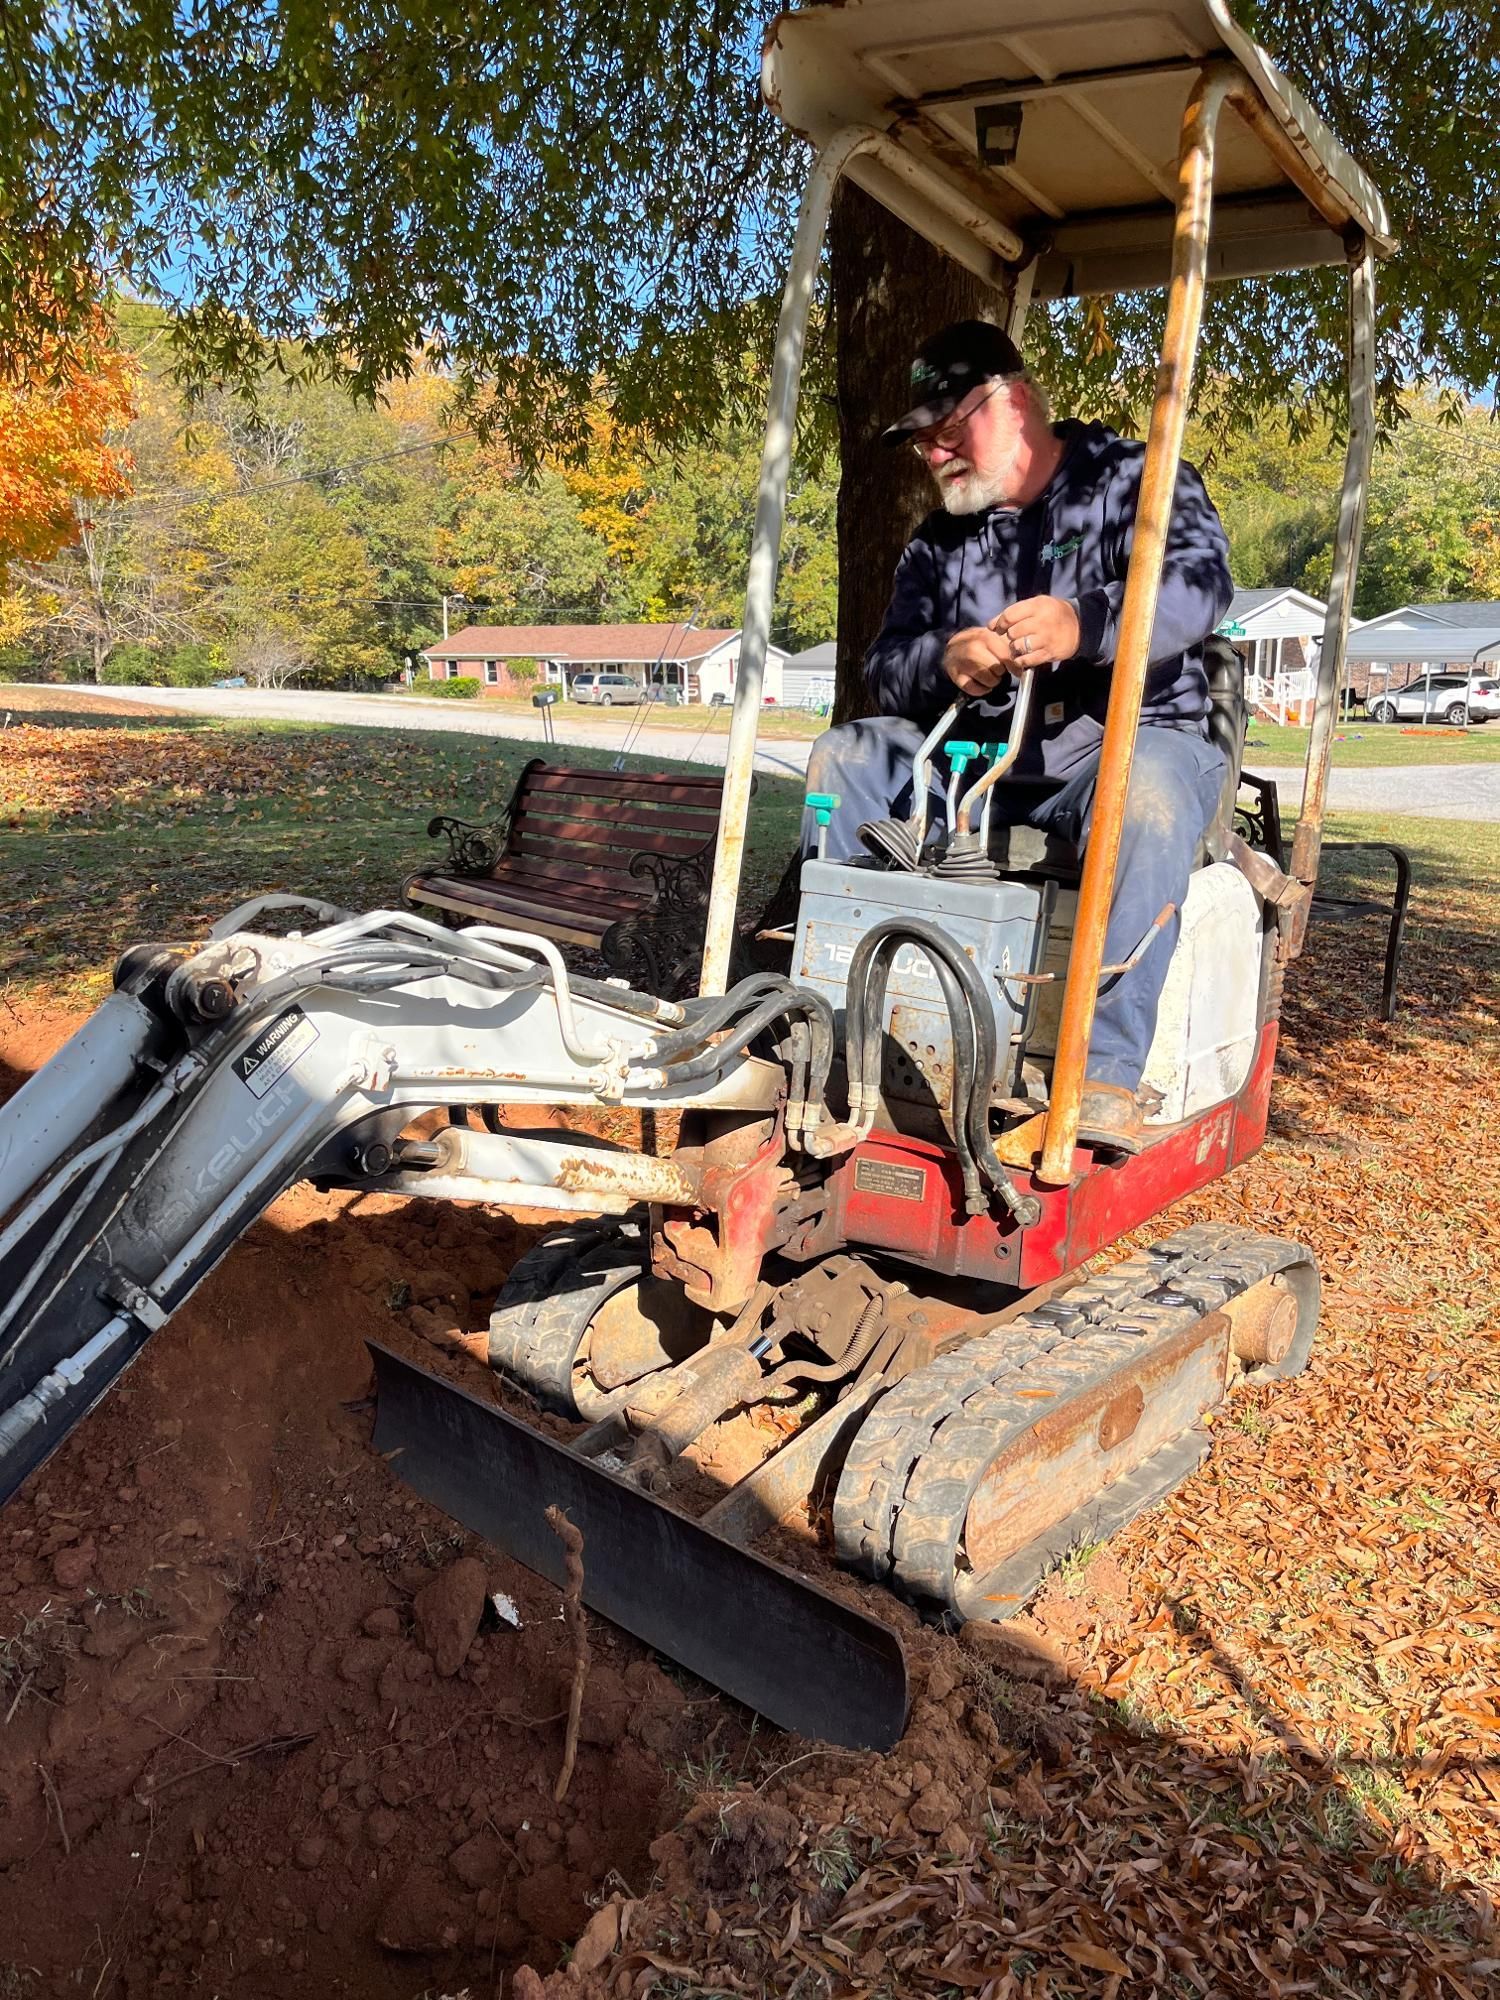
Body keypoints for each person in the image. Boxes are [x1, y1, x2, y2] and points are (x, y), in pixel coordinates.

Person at [802, 320, 1233, 1154]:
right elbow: (885, 666)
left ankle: (1100, 1072)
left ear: (1019, 401)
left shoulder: (1136, 480)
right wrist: (944, 660)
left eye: (950, 429)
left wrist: (1089, 623)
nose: (935, 453)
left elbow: (1200, 585)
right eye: (923, 440)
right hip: (980, 768)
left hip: (1129, 743)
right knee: (845, 755)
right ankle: (839, 1021)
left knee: (1138, 789)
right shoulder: (938, 543)